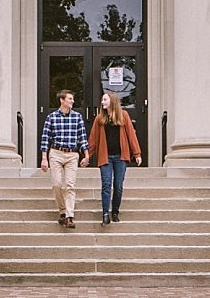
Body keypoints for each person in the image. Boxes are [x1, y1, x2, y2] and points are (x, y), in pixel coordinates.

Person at [87, 90, 142, 226]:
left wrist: (137, 154)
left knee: (118, 186)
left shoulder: (123, 115)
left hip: (120, 158)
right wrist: (88, 155)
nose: (102, 102)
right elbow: (93, 139)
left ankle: (115, 211)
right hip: (105, 157)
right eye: (102, 100)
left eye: (105, 100)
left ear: (112, 101)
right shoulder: (100, 119)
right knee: (106, 185)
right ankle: (106, 214)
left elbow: (131, 135)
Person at [38, 89, 89, 228]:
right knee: (57, 184)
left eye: (72, 99)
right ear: (62, 100)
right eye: (70, 99)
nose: (72, 101)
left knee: (70, 185)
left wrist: (86, 155)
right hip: (56, 153)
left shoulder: (77, 117)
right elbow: (45, 139)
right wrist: (44, 158)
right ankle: (62, 210)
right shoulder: (51, 117)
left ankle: (69, 216)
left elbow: (82, 138)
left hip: (72, 155)